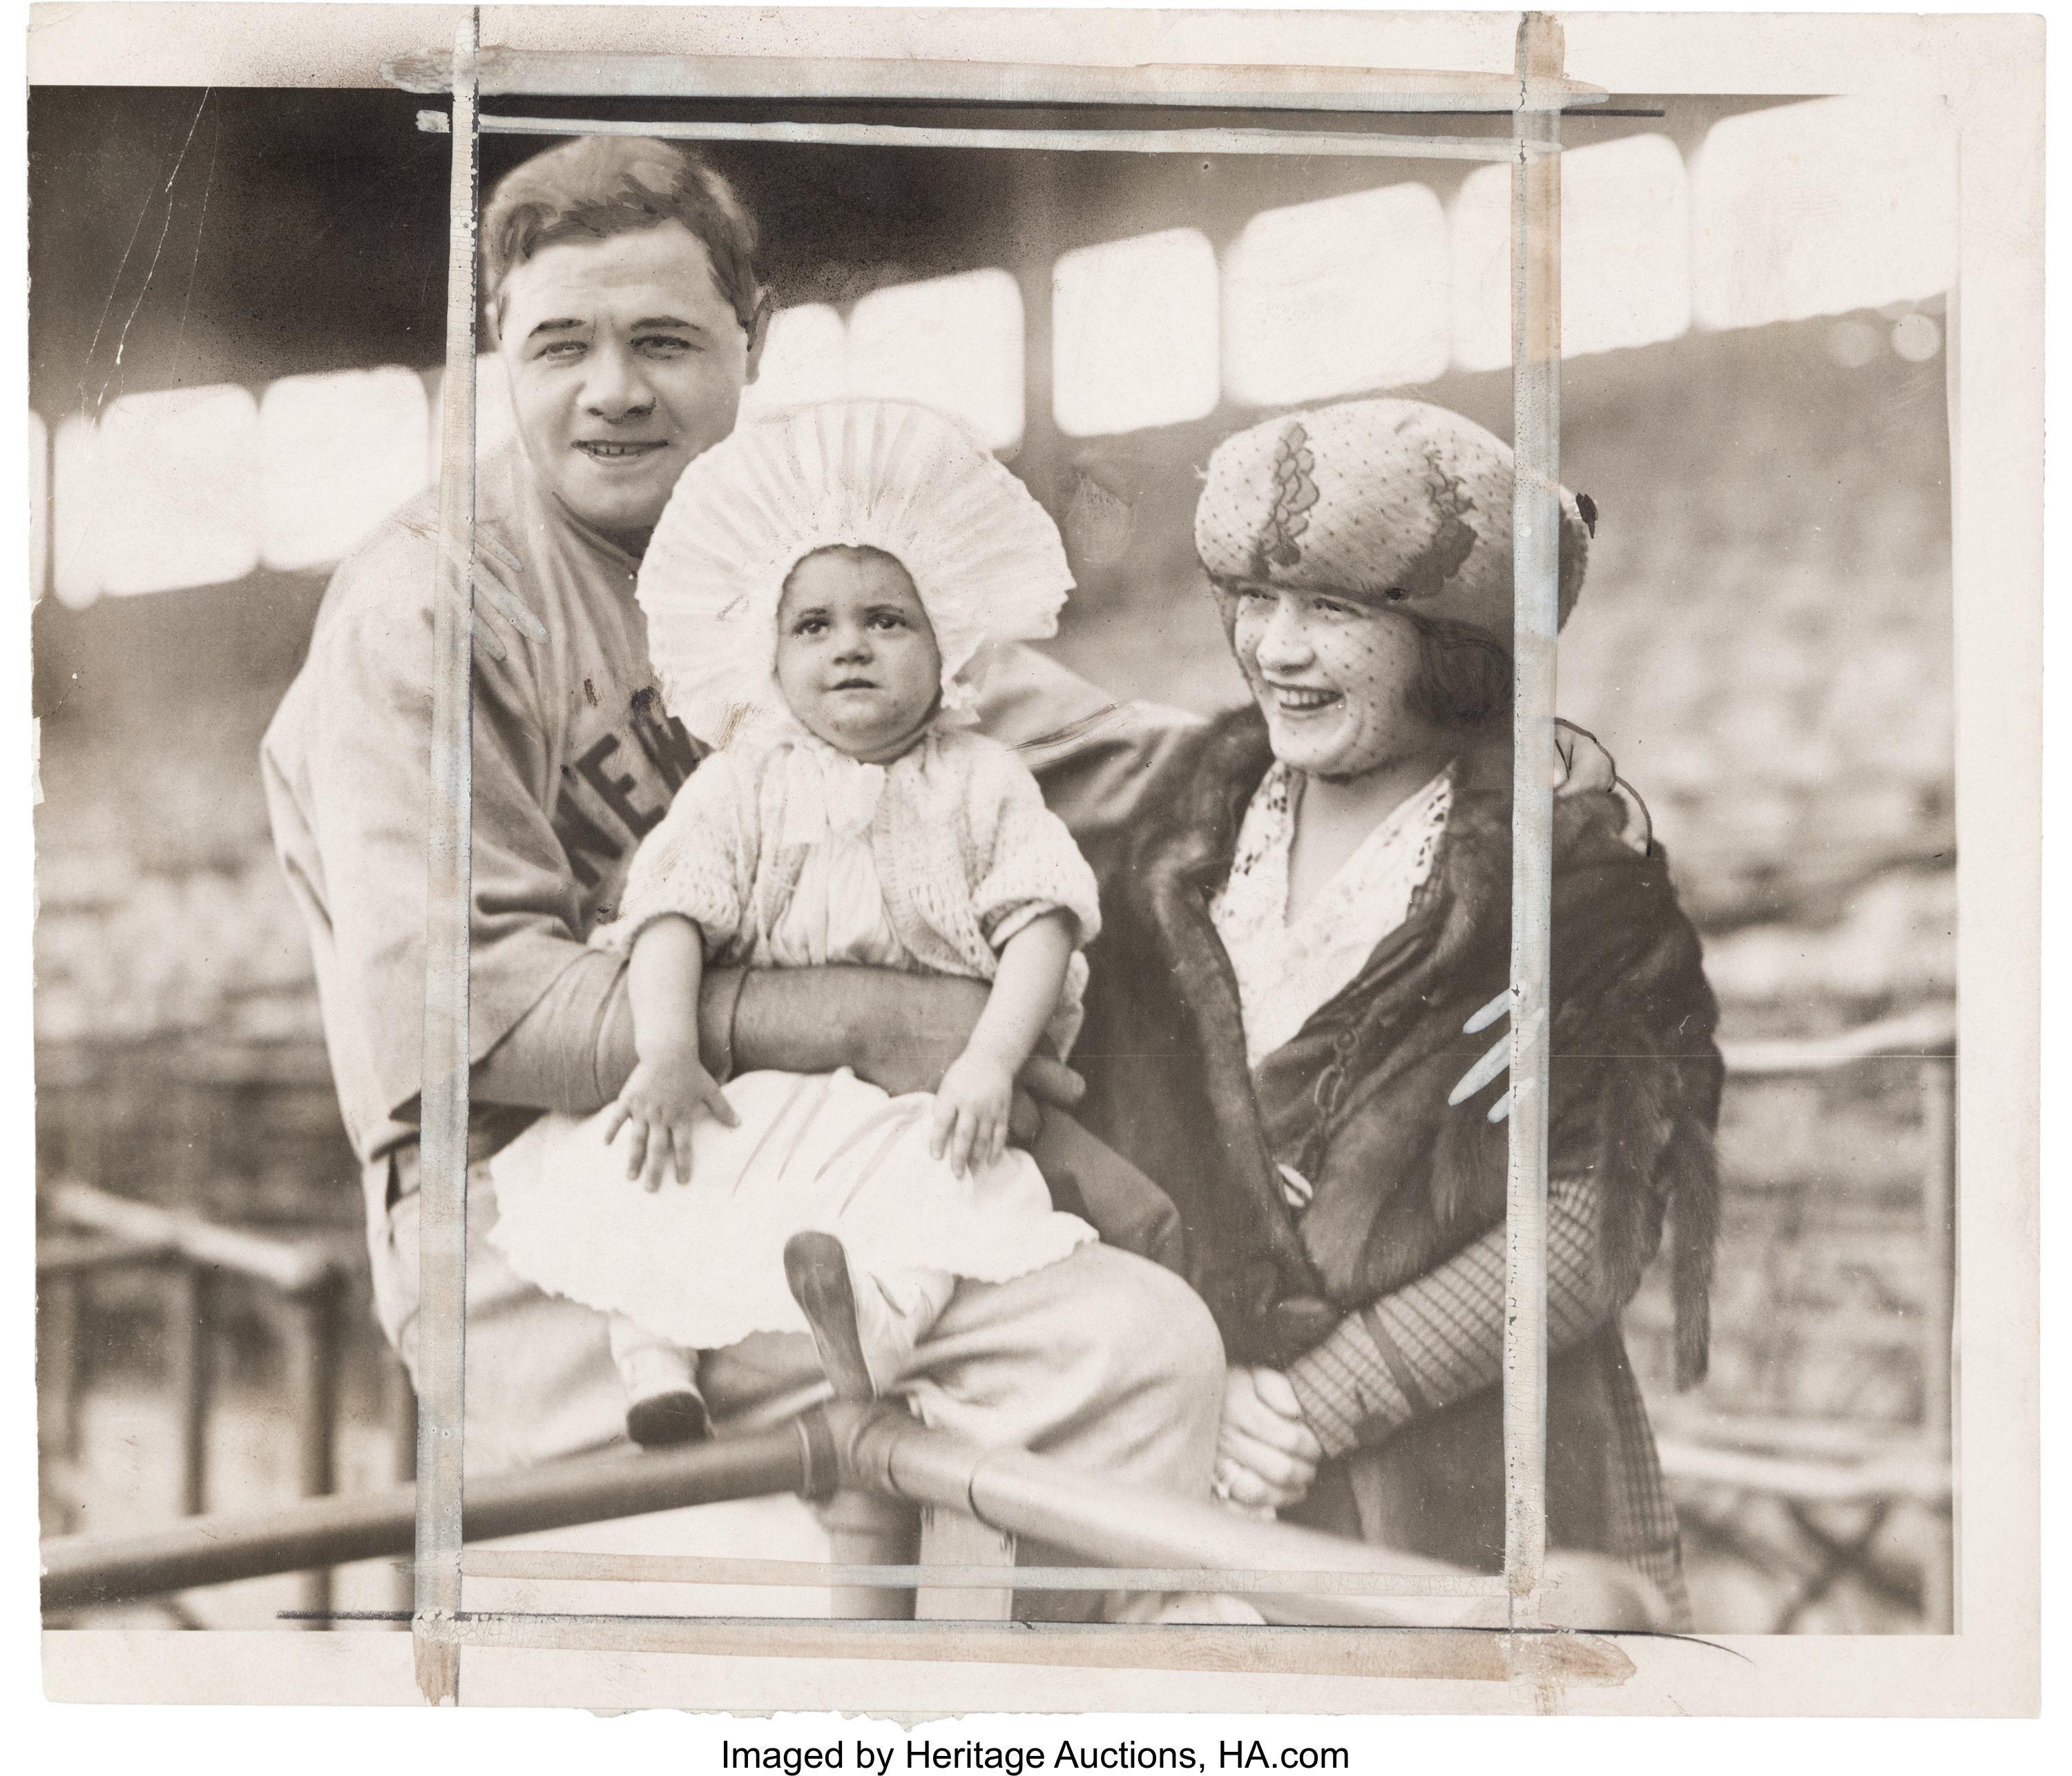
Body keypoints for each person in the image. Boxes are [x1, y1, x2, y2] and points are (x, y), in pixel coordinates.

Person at [260, 139, 1222, 1541]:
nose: (613, 389)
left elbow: (1100, 752)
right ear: (493, 351)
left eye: (662, 340)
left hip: (840, 1153)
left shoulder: (798, 541)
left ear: (750, 338)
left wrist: (1454, 763)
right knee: (744, 1567)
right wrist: (854, 1015)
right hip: (525, 1195)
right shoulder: (426, 603)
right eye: (559, 345)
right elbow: (449, 1002)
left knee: (1141, 1355)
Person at [1073, 398, 1723, 1625]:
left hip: (1459, 1485)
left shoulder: (1571, 880)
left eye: (1333, 610)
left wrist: (1317, 1401)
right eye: (1254, 602)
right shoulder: (1173, 837)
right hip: (1175, 1455)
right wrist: (1191, 1379)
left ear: (1454, 640)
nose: (1274, 649)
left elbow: (1589, 1227)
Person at [487, 398, 1110, 1442]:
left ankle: (863, 1329)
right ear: (768, 658)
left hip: (909, 1092)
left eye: (888, 622)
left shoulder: (979, 780)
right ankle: (656, 1365)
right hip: (758, 1080)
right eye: (814, 626)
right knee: (663, 1175)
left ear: (944, 645)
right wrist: (670, 1052)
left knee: (931, 1192)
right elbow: (672, 915)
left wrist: (988, 1065)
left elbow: (1043, 918)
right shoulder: (742, 784)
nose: (851, 647)